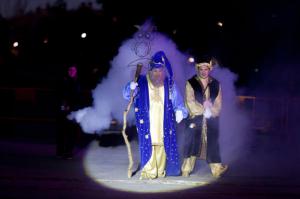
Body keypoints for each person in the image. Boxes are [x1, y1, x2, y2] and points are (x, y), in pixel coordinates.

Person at [123, 51, 188, 179]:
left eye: (160, 71)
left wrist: (180, 110)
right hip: (148, 120)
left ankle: (160, 171)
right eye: (155, 71)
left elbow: (177, 100)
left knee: (163, 144)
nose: (158, 74)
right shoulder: (141, 81)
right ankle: (149, 172)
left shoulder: (169, 83)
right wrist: (130, 87)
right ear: (150, 71)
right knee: (149, 143)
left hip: (164, 119)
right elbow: (127, 95)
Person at [181, 55, 228, 178]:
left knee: (212, 143)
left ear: (209, 69)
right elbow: (189, 101)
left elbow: (218, 102)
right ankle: (186, 169)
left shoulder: (216, 84)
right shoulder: (190, 83)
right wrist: (203, 110)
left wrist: (211, 111)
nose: (203, 71)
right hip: (195, 118)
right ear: (198, 69)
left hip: (211, 119)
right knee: (191, 142)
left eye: (205, 69)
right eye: (201, 69)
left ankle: (216, 169)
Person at [56, 64, 81, 159]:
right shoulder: (64, 81)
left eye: (73, 70)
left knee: (71, 132)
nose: (72, 72)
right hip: (64, 111)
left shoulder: (76, 82)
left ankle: (68, 151)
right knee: (62, 131)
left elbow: (77, 97)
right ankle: (61, 151)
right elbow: (60, 94)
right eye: (70, 70)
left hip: (72, 111)